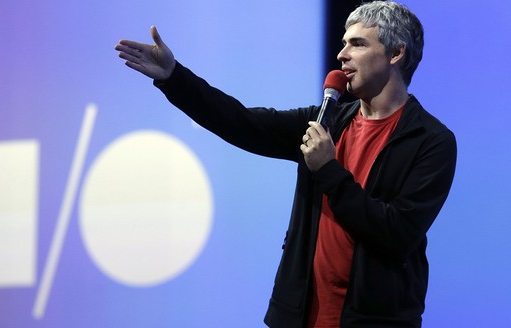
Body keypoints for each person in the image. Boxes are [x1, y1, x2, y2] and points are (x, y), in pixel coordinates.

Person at [115, 1, 456, 327]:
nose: (341, 55)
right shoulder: (327, 122)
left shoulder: (430, 140)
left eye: (357, 44)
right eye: (342, 43)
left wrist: (328, 170)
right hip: (298, 317)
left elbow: (397, 233)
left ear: (396, 53)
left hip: (376, 320)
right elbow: (242, 122)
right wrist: (174, 77)